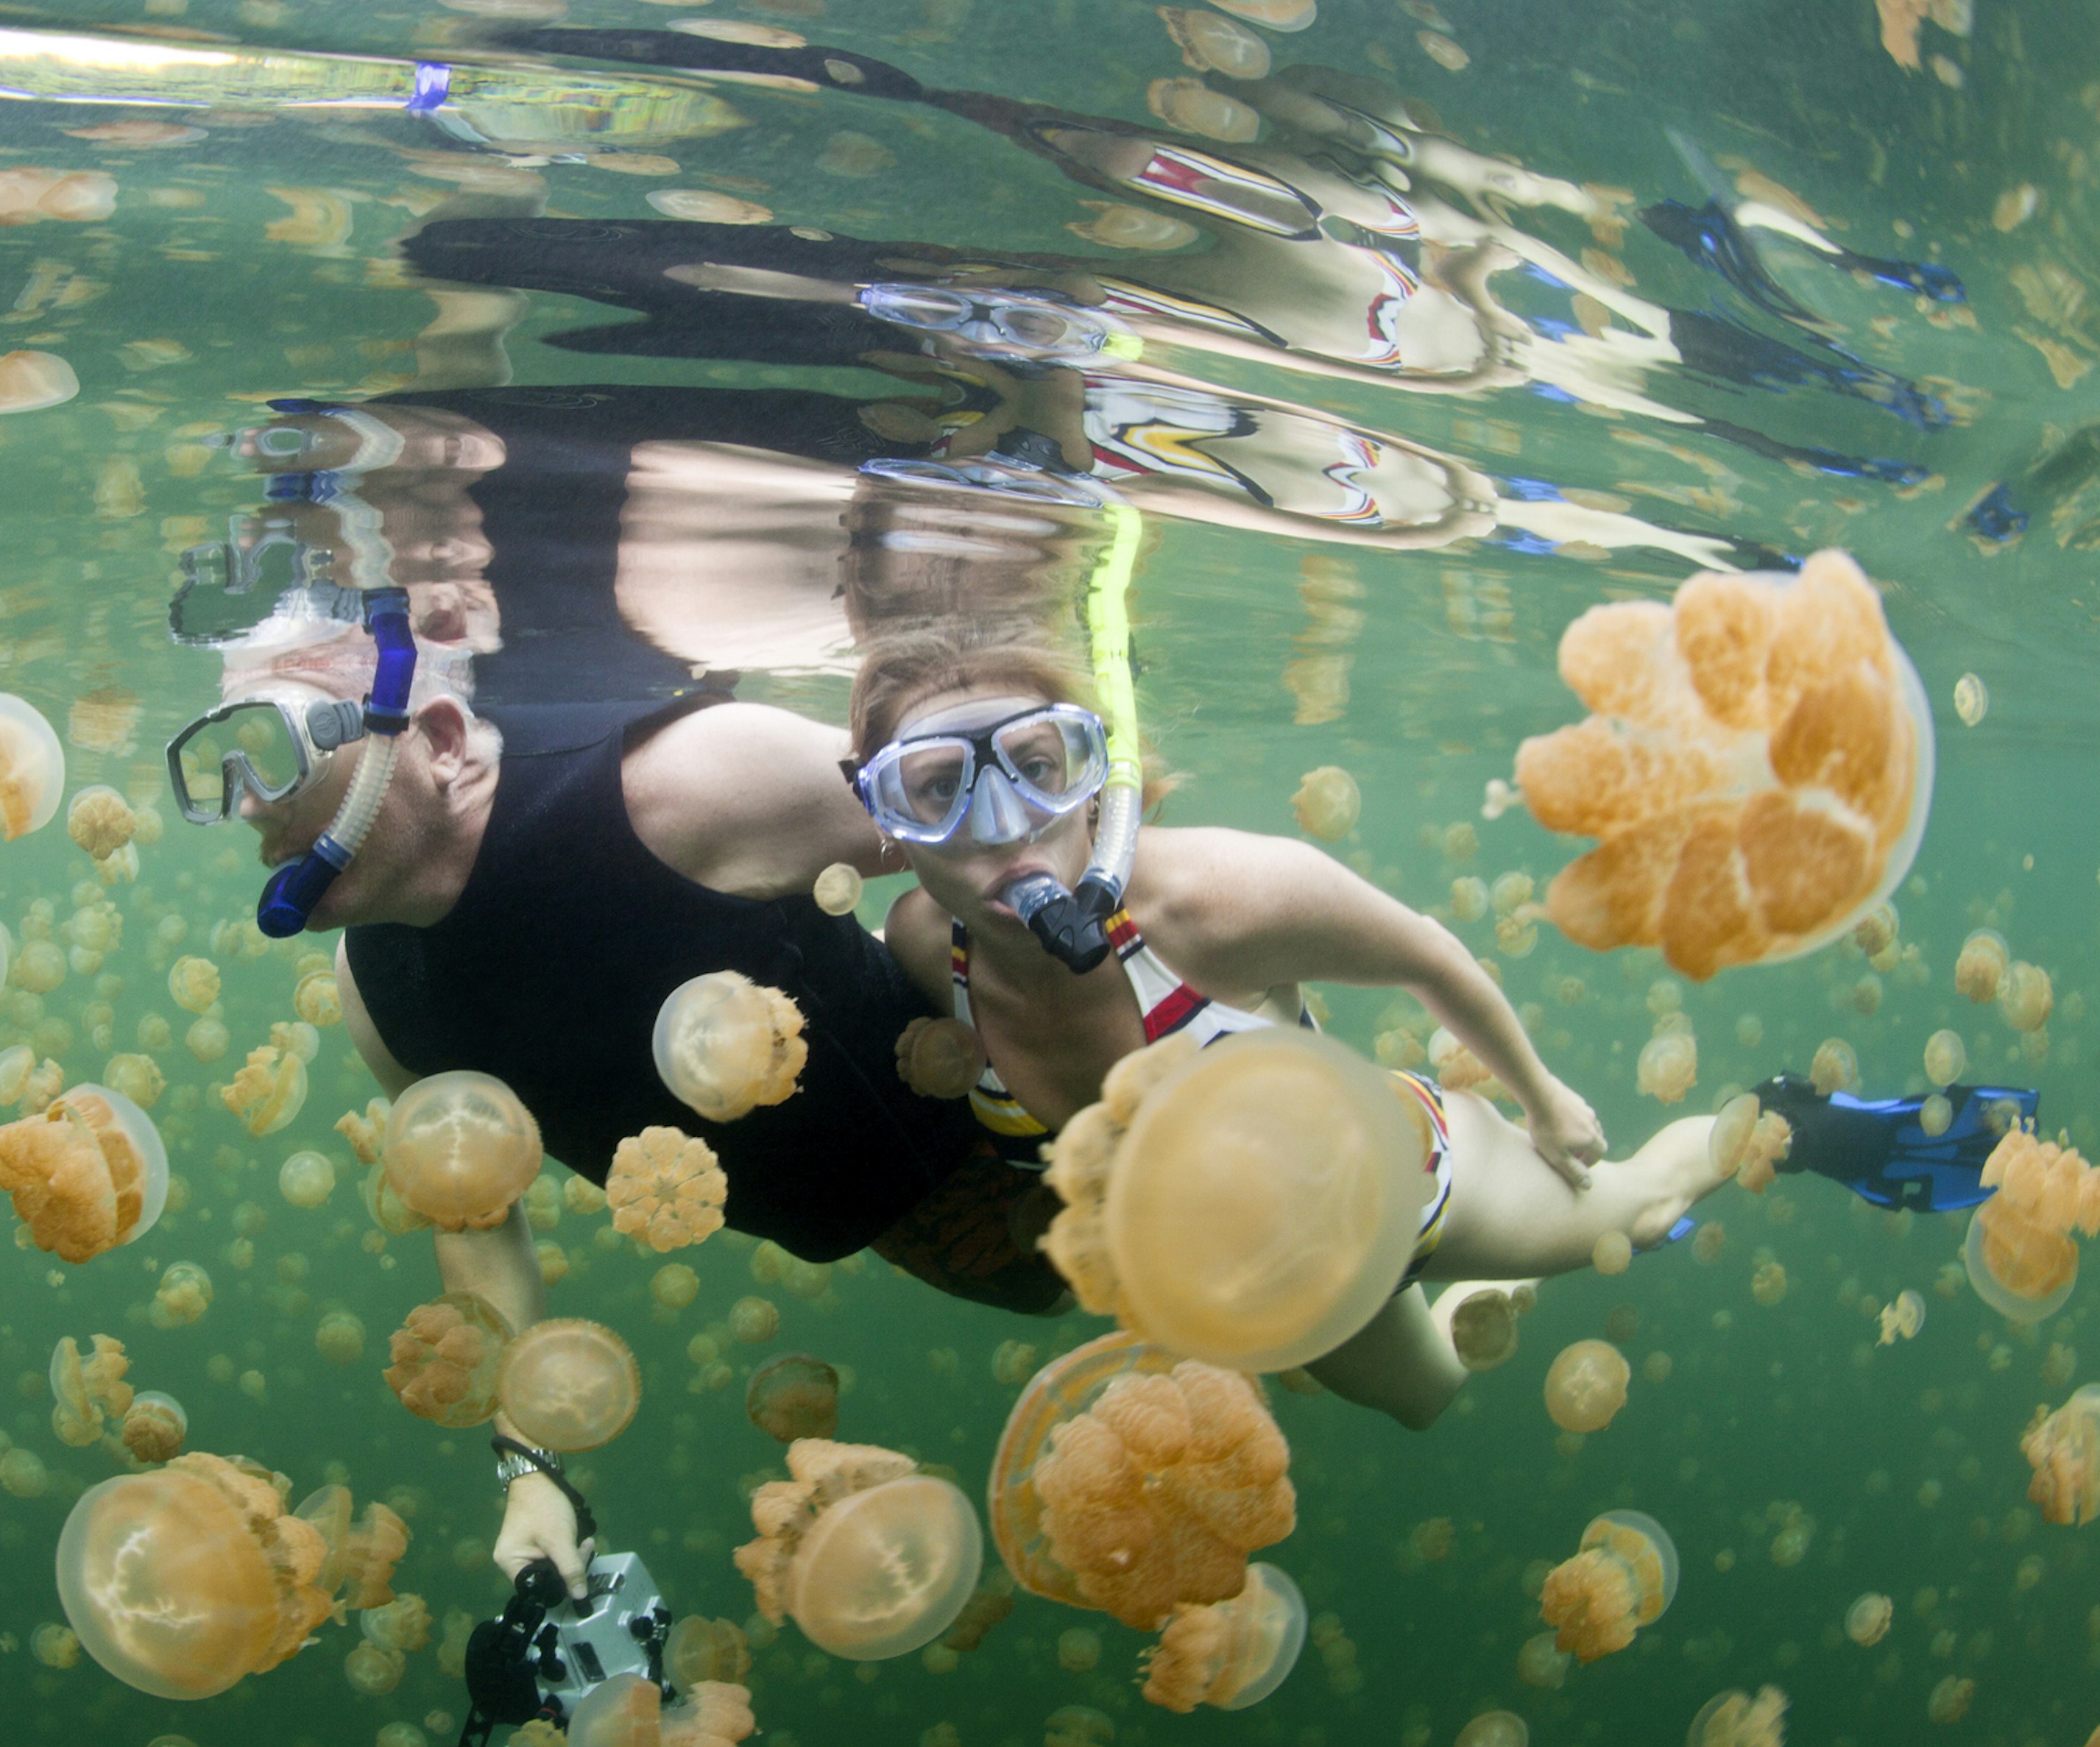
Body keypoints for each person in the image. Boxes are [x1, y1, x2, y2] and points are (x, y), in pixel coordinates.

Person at [843, 617, 2015, 1427]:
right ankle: (1480, 1304)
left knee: (1641, 1205)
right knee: (1430, 1400)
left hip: (1408, 1178)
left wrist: (1546, 1100)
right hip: (1287, 1281)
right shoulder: (915, 950)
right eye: (937, 786)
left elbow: (1429, 958)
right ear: (880, 815)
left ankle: (1777, 1124)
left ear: (1100, 774)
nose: (1002, 826)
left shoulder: (1218, 898)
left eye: (1041, 766)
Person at [177, 586, 1083, 1599]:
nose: (247, 797)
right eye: (217, 759)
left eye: (280, 745)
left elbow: (1032, 812)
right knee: (1079, 1295)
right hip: (914, 1229)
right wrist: (532, 1472)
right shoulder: (377, 995)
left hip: (1030, 1110)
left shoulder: (690, 784)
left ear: (435, 735)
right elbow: (479, 1219)